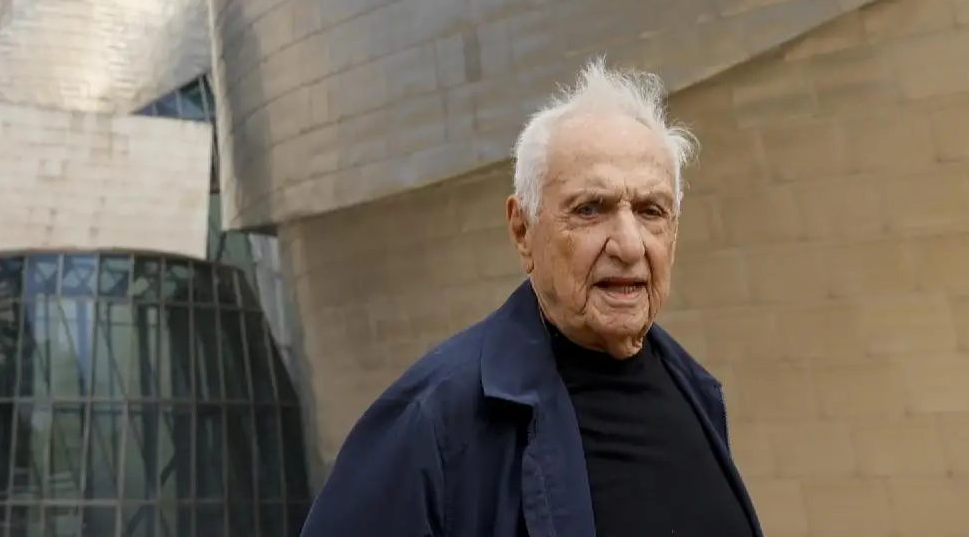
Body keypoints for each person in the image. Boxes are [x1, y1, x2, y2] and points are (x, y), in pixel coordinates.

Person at [300, 59, 762, 537]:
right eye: (590, 209)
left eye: (651, 211)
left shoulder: (696, 391)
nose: (629, 245)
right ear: (522, 230)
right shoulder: (433, 425)